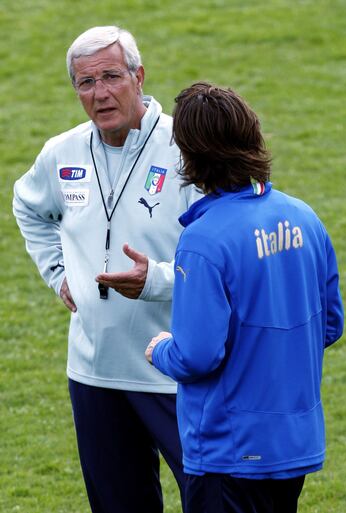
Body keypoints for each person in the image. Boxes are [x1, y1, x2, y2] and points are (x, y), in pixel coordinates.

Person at [13, 26, 200, 513]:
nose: (99, 94)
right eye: (85, 82)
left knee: (212, 500)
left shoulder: (188, 149)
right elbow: (27, 206)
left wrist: (155, 280)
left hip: (179, 371)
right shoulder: (62, 153)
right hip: (95, 372)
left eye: (112, 77)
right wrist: (58, 274)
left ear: (139, 77)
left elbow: (226, 249)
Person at [145, 82, 344, 513]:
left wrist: (160, 350)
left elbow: (197, 355)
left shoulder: (203, 241)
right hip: (294, 445)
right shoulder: (303, 216)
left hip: (229, 454)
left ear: (190, 156)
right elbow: (330, 324)